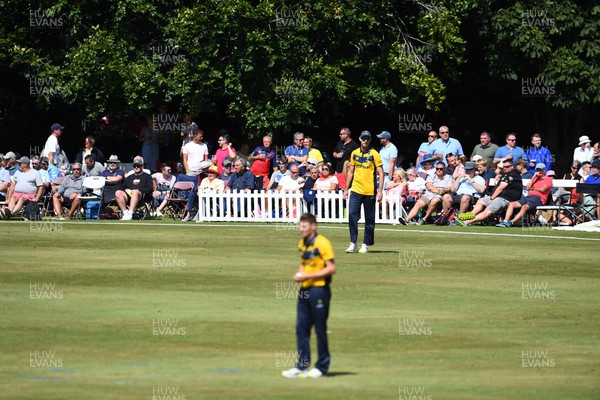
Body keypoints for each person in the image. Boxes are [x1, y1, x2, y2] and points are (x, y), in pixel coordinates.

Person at [281, 213, 336, 379]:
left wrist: (307, 277)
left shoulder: (322, 243)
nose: (301, 229)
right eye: (300, 226)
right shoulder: (302, 244)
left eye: (305, 226)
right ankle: (302, 366)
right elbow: (304, 264)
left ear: (313, 226)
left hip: (319, 290)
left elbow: (331, 268)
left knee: (319, 329)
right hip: (304, 291)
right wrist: (300, 274)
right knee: (302, 328)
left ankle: (321, 366)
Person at [344, 131, 384, 253]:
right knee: (352, 216)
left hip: (369, 191)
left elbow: (381, 173)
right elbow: (350, 171)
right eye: (363, 138)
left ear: (370, 140)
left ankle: (366, 244)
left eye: (367, 139)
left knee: (369, 219)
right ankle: (353, 243)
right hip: (356, 190)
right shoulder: (354, 153)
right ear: (360, 139)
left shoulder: (375, 154)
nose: (365, 141)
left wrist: (380, 191)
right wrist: (346, 189)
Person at [457, 161, 523, 226]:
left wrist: (492, 198)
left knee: (487, 211)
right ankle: (470, 215)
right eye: (504, 167)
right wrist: (499, 176)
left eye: (507, 167)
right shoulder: (508, 175)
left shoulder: (510, 174)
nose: (505, 168)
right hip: (499, 197)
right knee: (481, 201)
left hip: (504, 198)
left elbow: (501, 188)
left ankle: (467, 221)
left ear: (512, 166)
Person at [497, 163, 553, 227]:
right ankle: (505, 221)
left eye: (540, 170)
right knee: (512, 204)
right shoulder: (535, 179)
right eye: (537, 170)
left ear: (544, 170)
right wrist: (533, 178)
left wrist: (533, 188)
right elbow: (527, 188)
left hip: (539, 198)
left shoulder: (548, 179)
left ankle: (511, 222)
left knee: (525, 207)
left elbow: (543, 189)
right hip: (529, 197)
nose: (539, 171)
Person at [179, 129, 209, 221]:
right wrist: (187, 169)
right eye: (200, 136)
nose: (202, 138)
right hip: (191, 172)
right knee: (191, 193)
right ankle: (189, 213)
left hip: (201, 172)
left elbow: (206, 159)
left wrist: (205, 170)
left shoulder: (204, 146)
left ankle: (197, 213)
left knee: (197, 191)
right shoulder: (187, 146)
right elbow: (185, 159)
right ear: (194, 136)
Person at [114, 156, 153, 220]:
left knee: (135, 191)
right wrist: (126, 190)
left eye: (138, 165)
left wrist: (138, 190)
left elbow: (150, 189)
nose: (136, 167)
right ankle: (126, 213)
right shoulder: (129, 177)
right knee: (118, 192)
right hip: (129, 197)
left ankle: (130, 213)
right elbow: (122, 188)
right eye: (134, 166)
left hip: (141, 197)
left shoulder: (147, 176)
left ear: (142, 166)